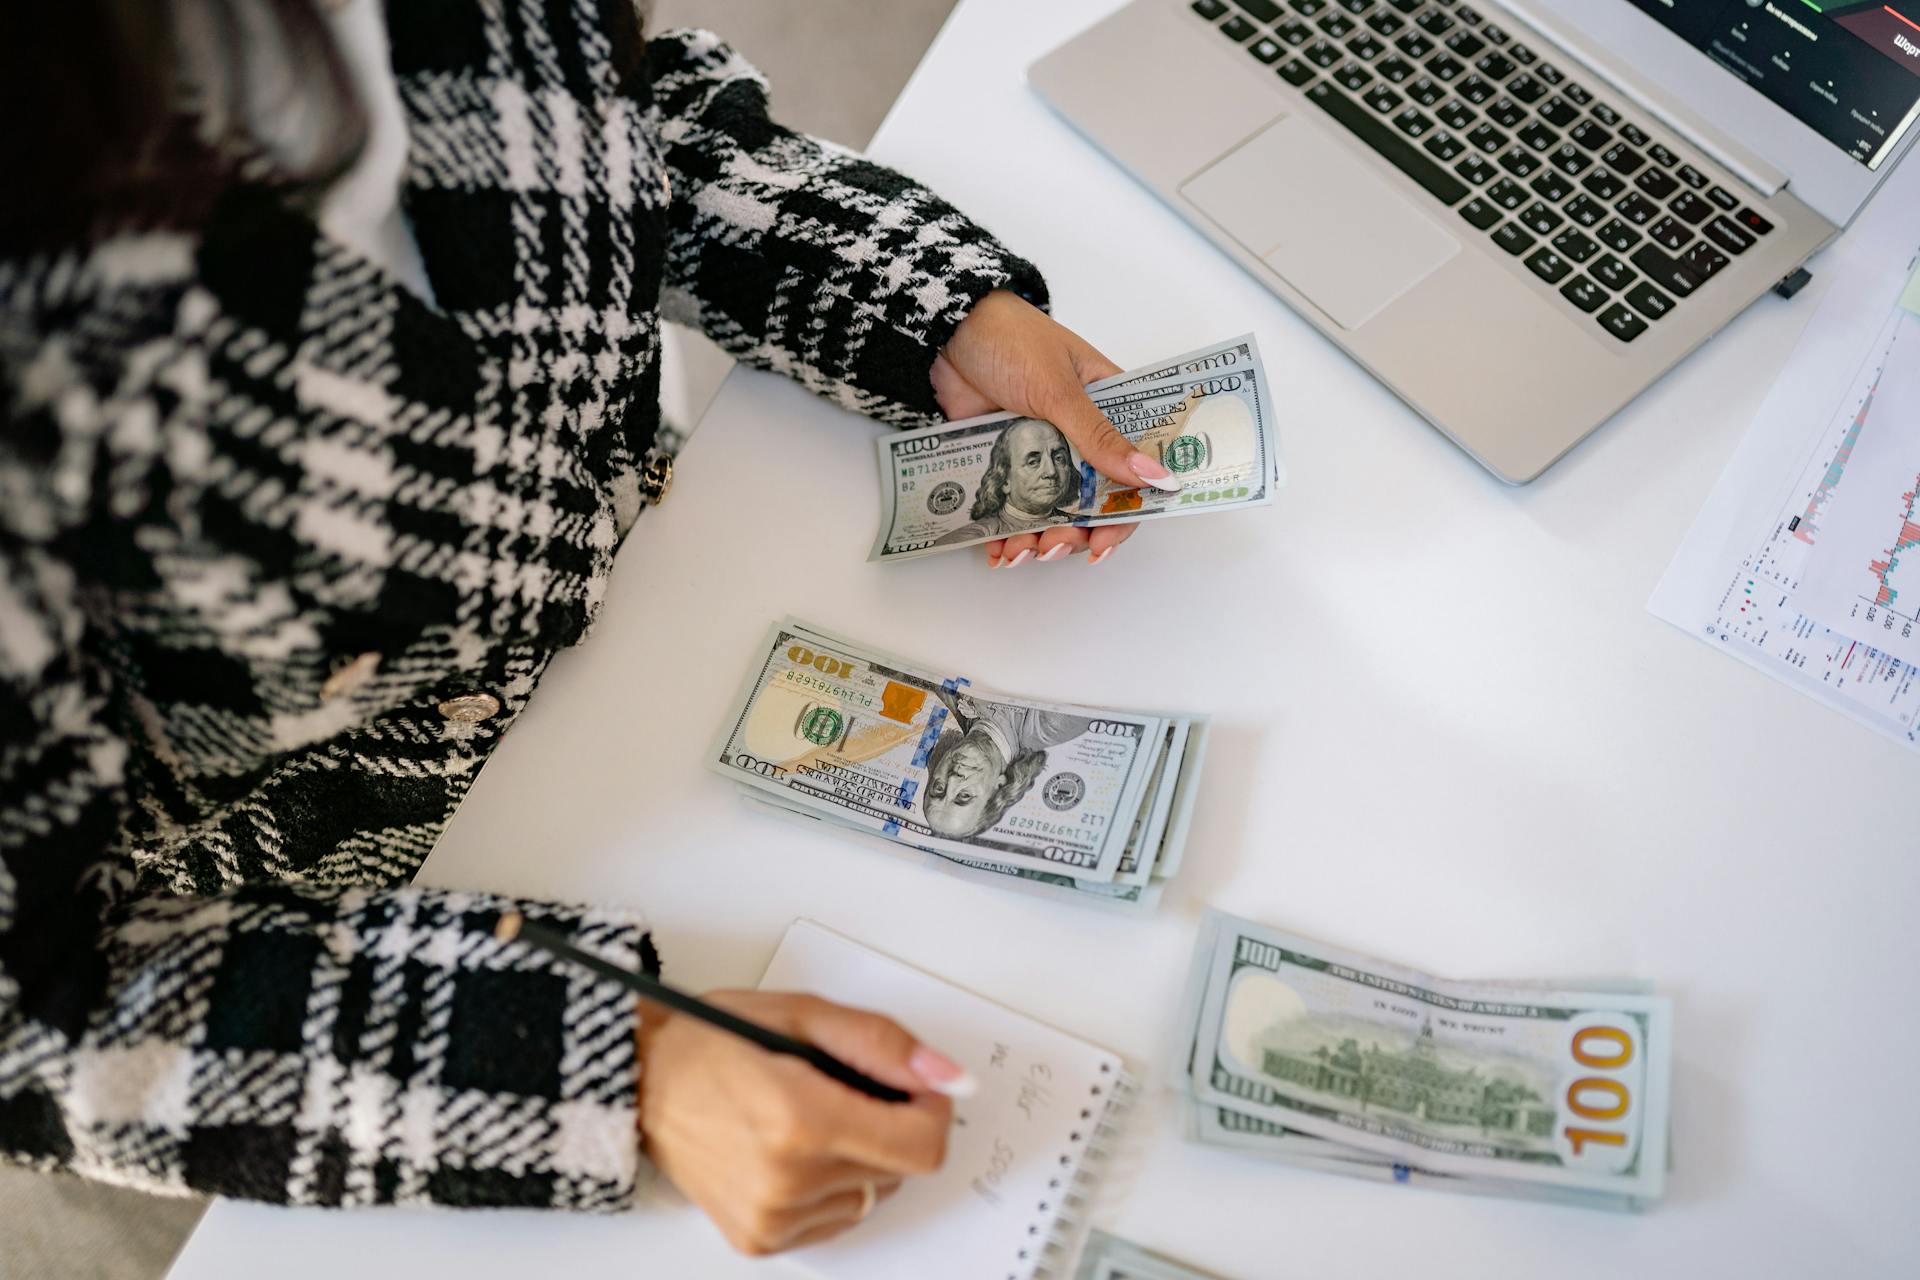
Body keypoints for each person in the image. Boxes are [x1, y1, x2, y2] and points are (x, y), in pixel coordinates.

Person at [0, 0, 1185, 1258]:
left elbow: (619, 120)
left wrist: (927, 307)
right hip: (320, 925)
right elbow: (33, 1010)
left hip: (667, 588)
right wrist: (616, 1068)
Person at [921, 691, 1092, 840]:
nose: (952, 780)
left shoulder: (947, 697)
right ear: (999, 787)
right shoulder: (1050, 726)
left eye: (938, 788)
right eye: (964, 795)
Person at [934, 417, 1082, 546]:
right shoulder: (970, 537)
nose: (1051, 472)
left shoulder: (1086, 524)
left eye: (1059, 458)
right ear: (1005, 480)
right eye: (1033, 462)